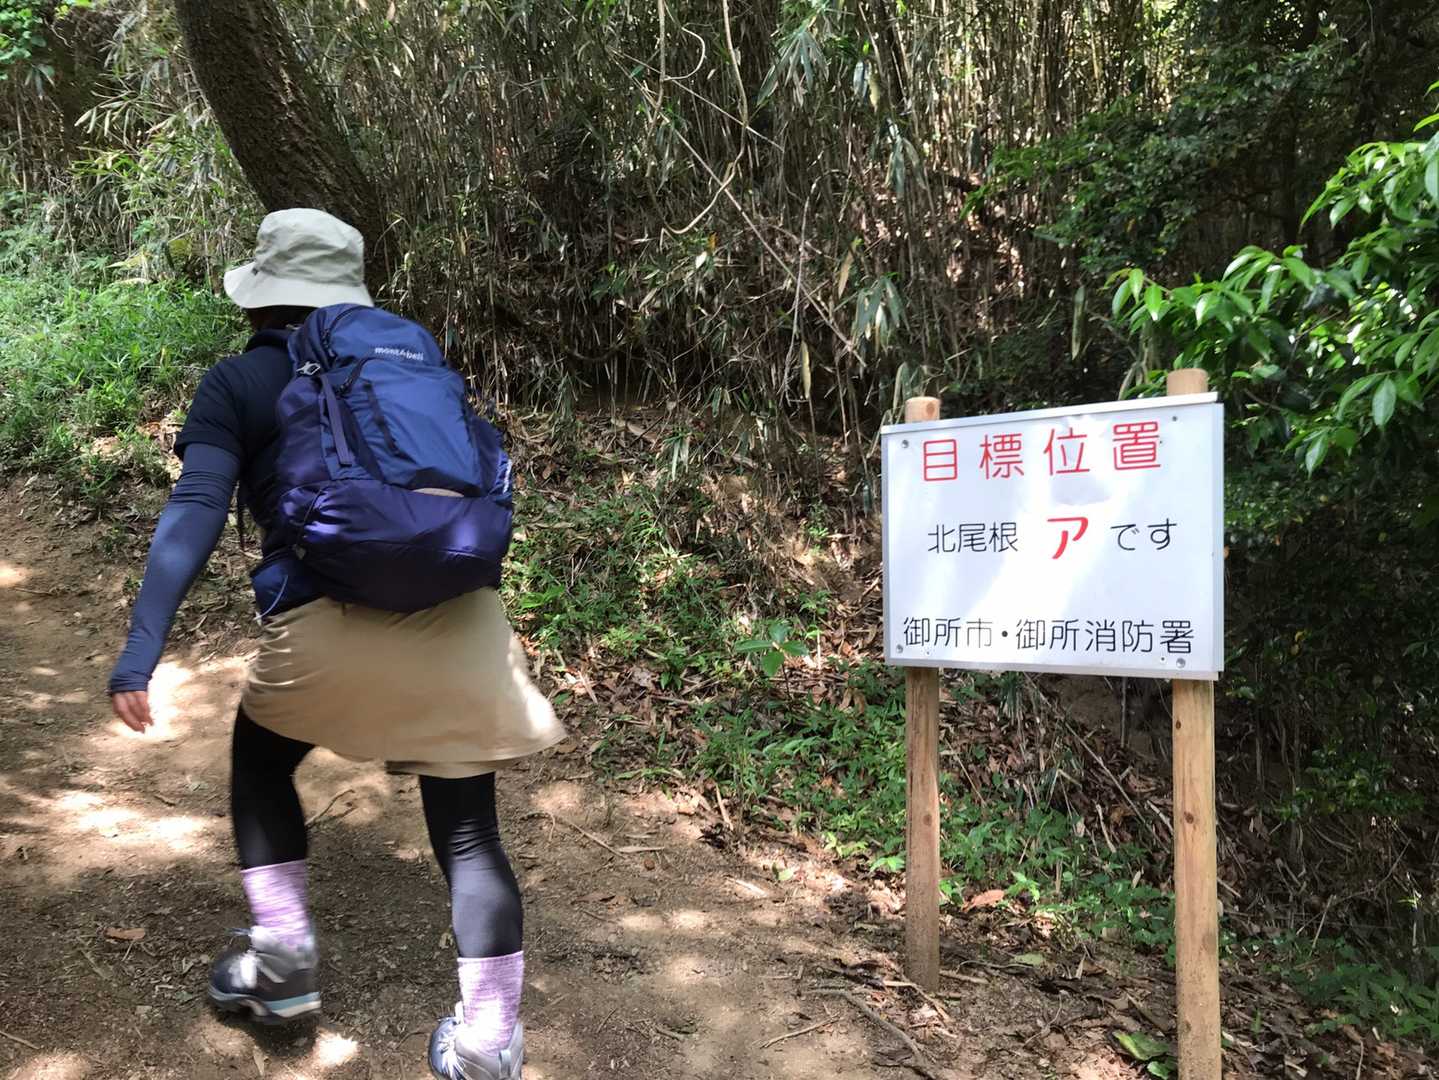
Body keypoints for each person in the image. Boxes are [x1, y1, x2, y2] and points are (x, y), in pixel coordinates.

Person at [108, 208, 563, 1080]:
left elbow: (196, 507)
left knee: (261, 764)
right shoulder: (409, 366)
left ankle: (282, 965)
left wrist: (142, 647)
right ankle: (487, 1041)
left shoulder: (239, 381)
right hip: (465, 623)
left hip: (327, 626)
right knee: (469, 831)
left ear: (259, 297)